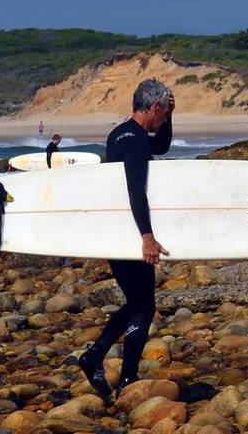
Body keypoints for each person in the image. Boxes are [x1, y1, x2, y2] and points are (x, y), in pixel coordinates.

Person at [78, 79, 174, 399]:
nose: (162, 119)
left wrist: (170, 118)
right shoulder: (135, 142)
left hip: (115, 233)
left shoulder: (121, 134)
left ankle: (95, 358)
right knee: (144, 307)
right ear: (154, 106)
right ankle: (127, 378)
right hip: (130, 234)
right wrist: (147, 236)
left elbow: (158, 147)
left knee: (138, 303)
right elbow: (135, 189)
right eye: (163, 112)